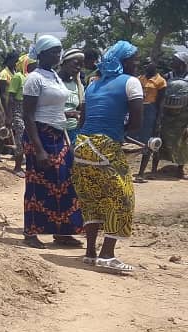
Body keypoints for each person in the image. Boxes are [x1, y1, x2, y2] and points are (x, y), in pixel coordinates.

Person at [72, 40, 144, 272]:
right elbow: (136, 123)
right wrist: (119, 132)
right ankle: (108, 254)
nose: (137, 63)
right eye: (134, 59)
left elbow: (83, 120)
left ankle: (90, 252)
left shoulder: (93, 84)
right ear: (124, 61)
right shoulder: (131, 83)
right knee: (122, 197)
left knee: (92, 198)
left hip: (82, 145)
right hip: (106, 146)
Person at [20, 35, 84, 249]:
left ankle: (63, 232)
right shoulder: (34, 78)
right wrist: (39, 149)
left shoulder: (54, 76)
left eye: (59, 51)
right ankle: (30, 232)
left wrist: (68, 114)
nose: (57, 55)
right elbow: (28, 115)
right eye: (53, 51)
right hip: (39, 135)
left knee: (65, 183)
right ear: (41, 54)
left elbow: (52, 106)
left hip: (58, 134)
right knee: (38, 184)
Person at [155, 52, 188, 178]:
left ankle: (180, 168)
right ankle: (154, 167)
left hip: (183, 116)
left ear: (182, 63)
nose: (171, 62)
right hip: (167, 115)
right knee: (160, 139)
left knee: (183, 142)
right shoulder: (168, 76)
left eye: (174, 60)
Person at [134, 61, 167, 182]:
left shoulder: (160, 81)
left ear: (154, 65)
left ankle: (142, 173)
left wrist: (158, 119)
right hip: (138, 109)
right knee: (133, 139)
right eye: (145, 63)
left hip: (151, 111)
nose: (145, 66)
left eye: (148, 64)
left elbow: (161, 102)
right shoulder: (139, 79)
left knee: (149, 141)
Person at [8, 54, 38, 176]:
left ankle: (30, 166)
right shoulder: (18, 77)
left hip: (31, 112)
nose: (35, 66)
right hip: (19, 112)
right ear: (25, 65)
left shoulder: (35, 78)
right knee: (20, 139)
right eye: (32, 65)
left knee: (32, 139)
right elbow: (10, 97)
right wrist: (8, 116)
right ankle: (17, 167)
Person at [0, 52, 19, 161]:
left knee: (10, 129)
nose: (16, 62)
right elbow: (3, 94)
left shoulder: (15, 72)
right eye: (15, 60)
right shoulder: (4, 73)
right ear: (9, 60)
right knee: (5, 128)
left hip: (13, 103)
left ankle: (3, 153)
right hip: (5, 104)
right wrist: (6, 110)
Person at [60, 48, 86, 145]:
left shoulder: (78, 86)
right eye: (75, 63)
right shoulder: (54, 83)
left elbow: (80, 108)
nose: (78, 67)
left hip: (73, 131)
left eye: (81, 65)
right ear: (64, 62)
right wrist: (68, 114)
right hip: (56, 131)